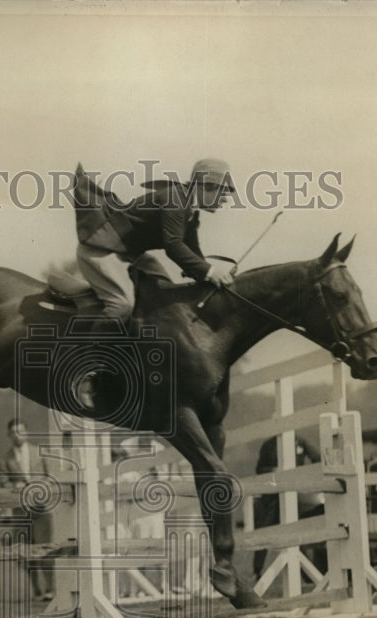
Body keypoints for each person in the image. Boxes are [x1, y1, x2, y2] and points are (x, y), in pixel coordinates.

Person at [71, 158, 237, 406]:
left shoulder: (189, 209)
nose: (225, 199)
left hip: (132, 254)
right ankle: (85, 370)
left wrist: (211, 275)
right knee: (121, 306)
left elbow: (192, 253)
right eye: (223, 192)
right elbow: (173, 246)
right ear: (206, 186)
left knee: (166, 297)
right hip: (101, 252)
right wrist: (209, 271)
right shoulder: (175, 199)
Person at [251, 435, 324, 580]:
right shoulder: (269, 445)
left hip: (295, 493)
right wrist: (273, 470)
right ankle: (257, 571)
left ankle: (307, 573)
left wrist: (302, 474)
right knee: (265, 530)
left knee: (295, 529)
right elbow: (259, 469)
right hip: (272, 495)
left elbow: (318, 459)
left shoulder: (300, 441)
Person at [0, 418, 53, 600]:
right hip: (20, 510)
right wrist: (16, 486)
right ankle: (37, 590)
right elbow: (4, 483)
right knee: (25, 551)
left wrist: (37, 487)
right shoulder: (5, 459)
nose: (17, 435)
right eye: (13, 432)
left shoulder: (40, 452)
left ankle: (52, 589)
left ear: (26, 433)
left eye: (20, 431)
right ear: (8, 435)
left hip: (41, 507)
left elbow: (50, 477)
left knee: (46, 548)